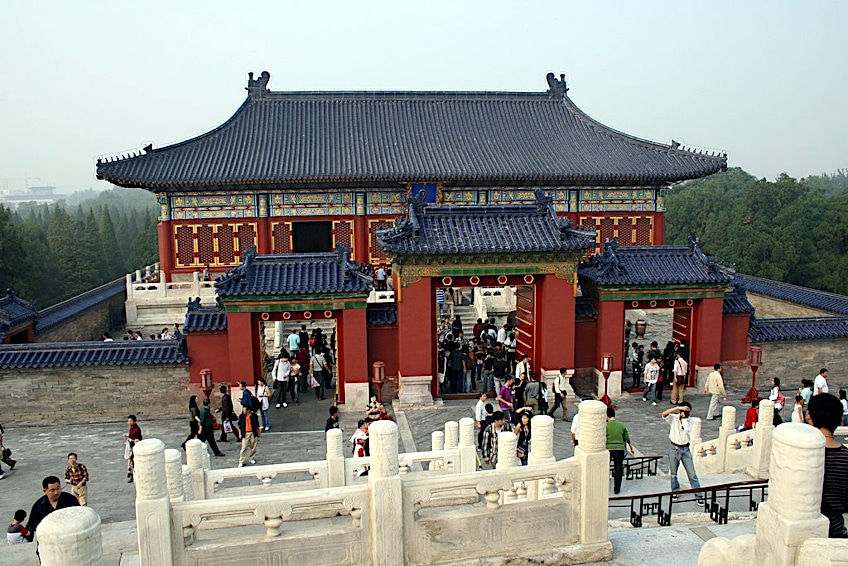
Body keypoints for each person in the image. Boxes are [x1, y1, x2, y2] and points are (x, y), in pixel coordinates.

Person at [806, 393, 848, 538]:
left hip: (806, 528)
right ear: (841, 420)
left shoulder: (802, 455)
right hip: (836, 529)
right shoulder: (845, 456)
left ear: (808, 416)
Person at [662, 402, 703, 505]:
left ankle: (698, 495)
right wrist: (677, 408)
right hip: (674, 448)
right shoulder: (674, 418)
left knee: (692, 473)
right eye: (683, 411)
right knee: (673, 474)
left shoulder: (690, 421)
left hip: (685, 449)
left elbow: (686, 430)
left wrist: (684, 419)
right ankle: (675, 491)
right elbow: (664, 414)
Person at [25, 476, 80, 541]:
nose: (56, 492)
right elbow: (31, 525)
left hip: (68, 538)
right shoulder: (38, 506)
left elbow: (79, 517)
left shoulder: (70, 500)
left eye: (58, 488)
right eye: (52, 490)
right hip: (49, 540)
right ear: (45, 491)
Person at [606, 407, 635, 494]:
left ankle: (604, 485)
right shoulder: (621, 425)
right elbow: (626, 438)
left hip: (608, 449)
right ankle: (617, 488)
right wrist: (631, 448)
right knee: (618, 468)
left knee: (606, 467)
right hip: (619, 449)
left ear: (607, 416)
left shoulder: (605, 426)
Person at [125, 415, 142, 483]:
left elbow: (137, 440)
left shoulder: (137, 429)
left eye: (131, 421)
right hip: (131, 447)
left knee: (134, 462)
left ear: (134, 421)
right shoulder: (131, 428)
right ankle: (131, 474)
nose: (129, 422)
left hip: (135, 448)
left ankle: (135, 475)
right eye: (128, 421)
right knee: (131, 461)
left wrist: (130, 439)